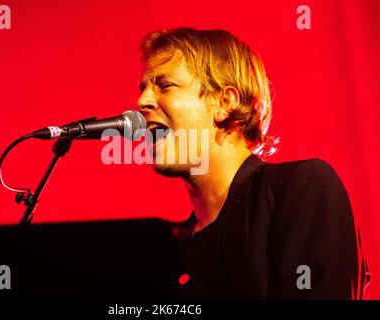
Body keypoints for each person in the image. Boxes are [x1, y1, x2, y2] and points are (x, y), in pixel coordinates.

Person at [136, 27, 369, 299]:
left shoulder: (302, 189)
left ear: (225, 102)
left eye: (165, 86)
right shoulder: (173, 249)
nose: (142, 101)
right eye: (143, 89)